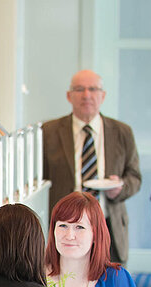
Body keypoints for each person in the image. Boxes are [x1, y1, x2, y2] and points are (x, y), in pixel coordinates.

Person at [41, 70, 142, 264]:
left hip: (108, 225)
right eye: (79, 89)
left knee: (109, 285)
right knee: (66, 285)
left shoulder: (122, 132)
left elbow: (135, 177)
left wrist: (120, 188)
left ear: (102, 96)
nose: (86, 95)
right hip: (65, 232)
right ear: (69, 96)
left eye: (93, 89)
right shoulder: (48, 132)